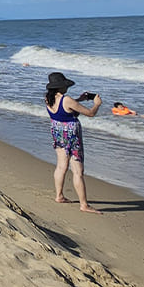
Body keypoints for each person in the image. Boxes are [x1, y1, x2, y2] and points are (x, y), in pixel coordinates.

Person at [45, 72, 102, 214]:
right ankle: (84, 205)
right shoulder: (67, 99)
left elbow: (65, 109)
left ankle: (59, 195)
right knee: (77, 170)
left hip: (57, 131)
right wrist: (97, 104)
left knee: (61, 166)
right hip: (71, 134)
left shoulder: (48, 98)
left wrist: (80, 100)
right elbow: (90, 113)